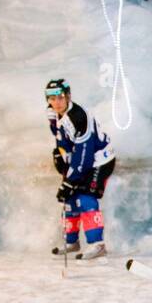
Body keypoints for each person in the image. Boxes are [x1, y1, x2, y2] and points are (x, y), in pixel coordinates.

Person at [46, 78, 115, 260]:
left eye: (60, 97)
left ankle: (97, 245)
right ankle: (72, 242)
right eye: (51, 98)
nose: (56, 102)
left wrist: (70, 180)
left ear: (68, 96)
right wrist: (59, 153)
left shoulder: (78, 117)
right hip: (81, 159)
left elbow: (84, 156)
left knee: (85, 198)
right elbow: (60, 135)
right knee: (69, 199)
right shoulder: (53, 112)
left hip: (99, 161)